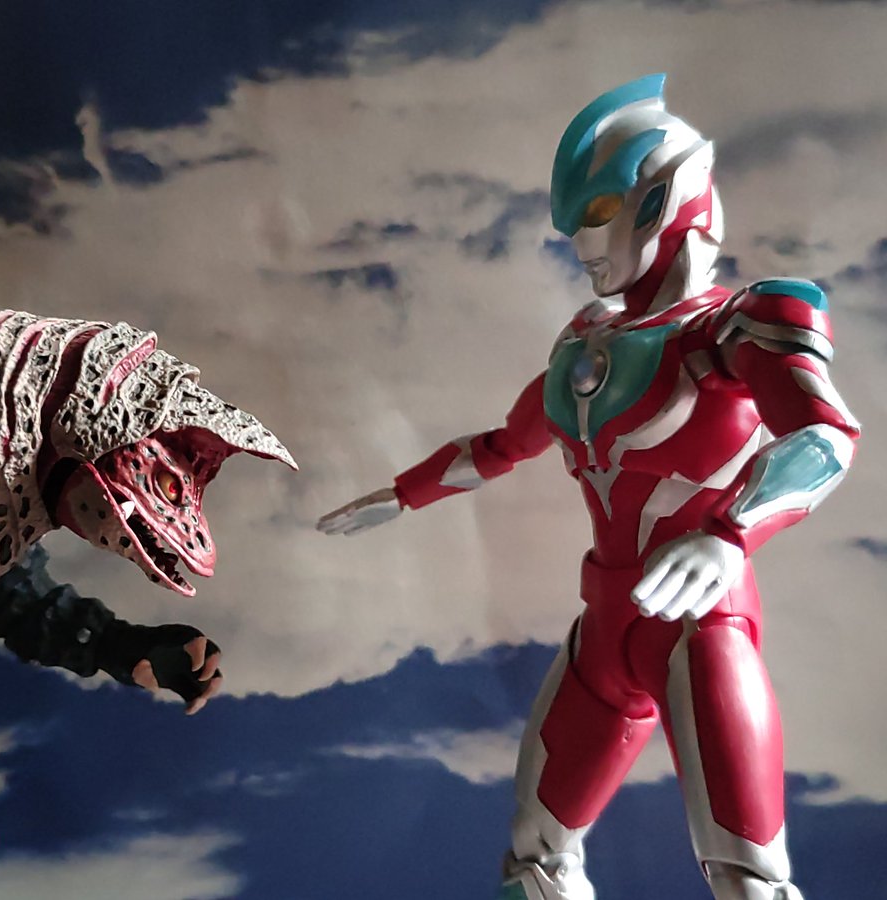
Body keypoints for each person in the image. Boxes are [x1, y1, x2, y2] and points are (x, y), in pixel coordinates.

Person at [318, 74, 859, 900]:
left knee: (749, 878)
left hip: (701, 628)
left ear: (666, 196)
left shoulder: (736, 327)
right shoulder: (585, 344)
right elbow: (504, 445)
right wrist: (401, 494)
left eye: (599, 211)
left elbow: (823, 438)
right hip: (604, 631)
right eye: (574, 221)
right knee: (535, 862)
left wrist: (728, 534)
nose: (581, 239)